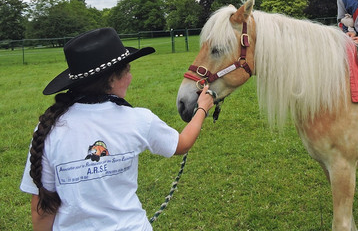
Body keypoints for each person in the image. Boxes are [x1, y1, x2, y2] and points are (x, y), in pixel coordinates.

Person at [20, 28, 215, 230]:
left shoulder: (49, 129)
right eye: (128, 71)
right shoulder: (138, 119)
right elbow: (182, 144)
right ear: (112, 79)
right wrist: (202, 108)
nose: (130, 78)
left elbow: (42, 210)